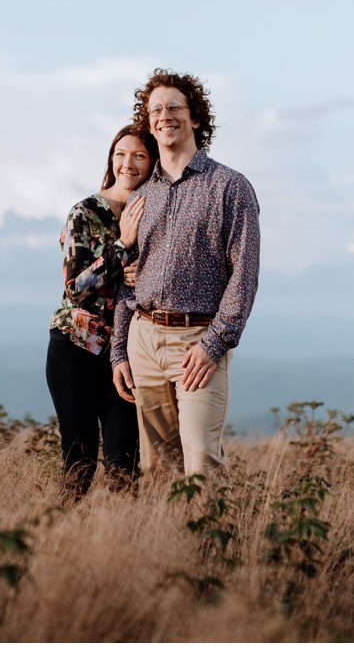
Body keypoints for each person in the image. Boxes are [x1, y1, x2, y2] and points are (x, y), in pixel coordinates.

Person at [110, 69, 260, 479]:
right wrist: (120, 350)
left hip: (198, 340)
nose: (164, 115)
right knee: (157, 468)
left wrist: (215, 343)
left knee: (201, 463)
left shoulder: (230, 187)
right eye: (155, 109)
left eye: (175, 107)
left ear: (195, 118)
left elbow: (243, 275)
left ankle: (214, 544)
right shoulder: (142, 195)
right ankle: (166, 544)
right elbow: (129, 279)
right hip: (143, 340)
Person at [46, 124, 157, 500]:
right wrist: (124, 246)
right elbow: (74, 286)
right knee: (79, 462)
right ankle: (58, 540)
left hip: (126, 352)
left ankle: (120, 547)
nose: (129, 163)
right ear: (111, 160)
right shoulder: (85, 212)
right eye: (121, 154)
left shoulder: (155, 214)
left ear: (152, 161)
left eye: (139, 155)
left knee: (125, 464)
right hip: (76, 347)